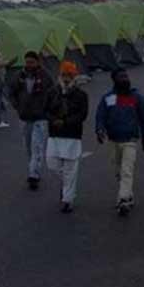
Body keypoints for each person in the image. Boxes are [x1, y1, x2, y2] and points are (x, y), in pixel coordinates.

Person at [95, 69, 144, 216]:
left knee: (127, 171)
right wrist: (99, 130)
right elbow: (100, 116)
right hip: (113, 140)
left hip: (130, 140)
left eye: (126, 76)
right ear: (114, 80)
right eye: (121, 77)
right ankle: (129, 196)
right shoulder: (108, 98)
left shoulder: (136, 97)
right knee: (118, 172)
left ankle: (123, 200)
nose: (125, 79)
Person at [45, 61, 89, 213]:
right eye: (64, 75)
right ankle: (67, 187)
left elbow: (82, 115)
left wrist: (65, 122)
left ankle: (67, 200)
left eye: (69, 75)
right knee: (52, 164)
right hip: (54, 135)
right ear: (59, 76)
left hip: (72, 135)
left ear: (74, 77)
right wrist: (53, 121)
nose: (66, 78)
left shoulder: (81, 95)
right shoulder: (52, 92)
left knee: (70, 169)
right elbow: (46, 111)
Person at [9, 51, 55, 190]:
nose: (29, 65)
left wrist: (47, 110)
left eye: (32, 62)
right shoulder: (19, 76)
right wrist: (17, 106)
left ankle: (33, 175)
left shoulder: (45, 76)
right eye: (27, 62)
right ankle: (33, 168)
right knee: (28, 147)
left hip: (40, 117)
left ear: (37, 62)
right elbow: (12, 92)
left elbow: (52, 94)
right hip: (24, 117)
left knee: (37, 146)